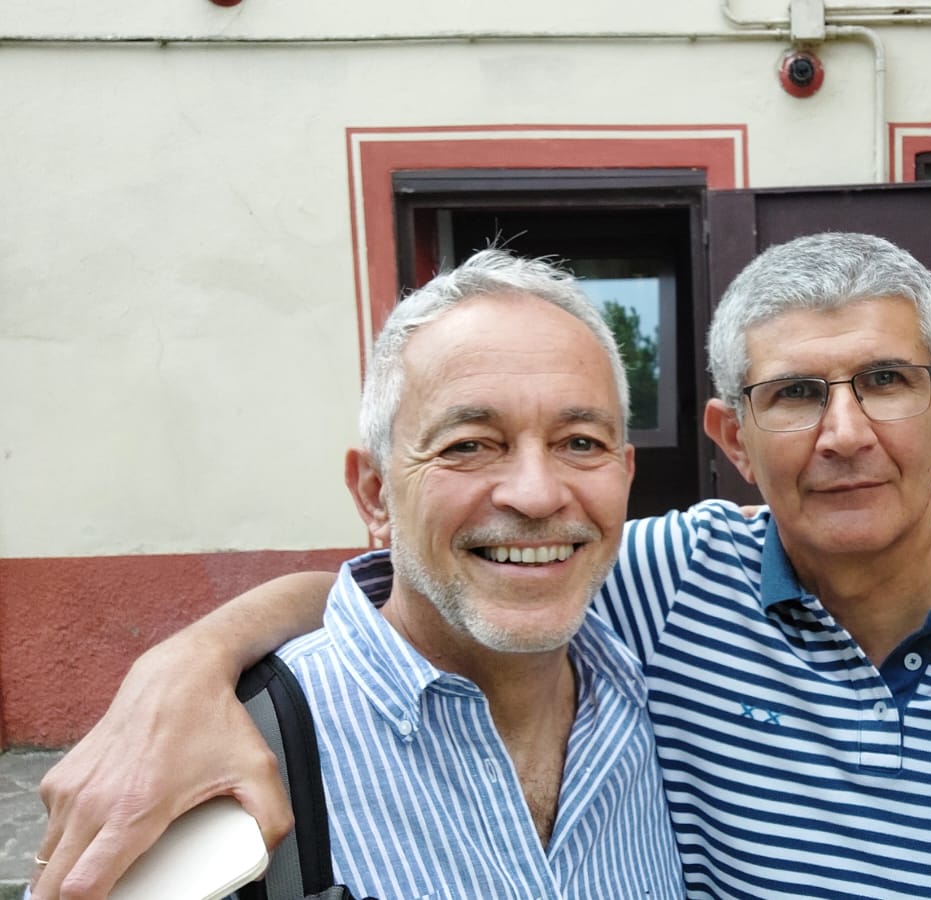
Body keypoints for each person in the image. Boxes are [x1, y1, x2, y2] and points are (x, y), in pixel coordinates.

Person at [35, 233, 931, 900]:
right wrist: (189, 668)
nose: (844, 433)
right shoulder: (668, 584)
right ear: (731, 438)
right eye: (795, 393)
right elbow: (428, 583)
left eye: (885, 382)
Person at [34, 250, 685, 898]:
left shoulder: (663, 678)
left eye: (580, 443)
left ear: (625, 475)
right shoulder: (209, 764)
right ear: (375, 495)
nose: (537, 495)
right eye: (468, 445)